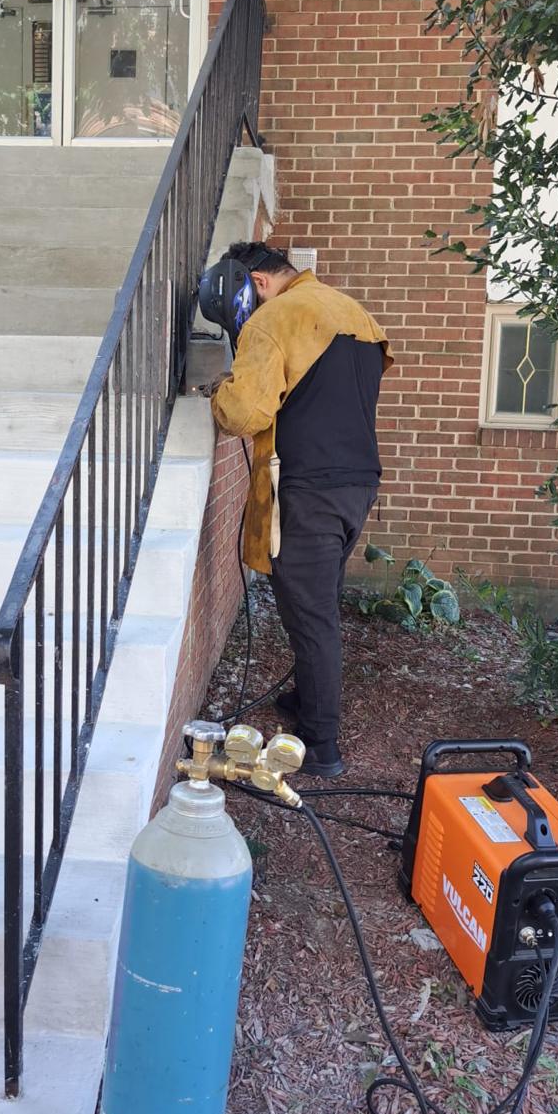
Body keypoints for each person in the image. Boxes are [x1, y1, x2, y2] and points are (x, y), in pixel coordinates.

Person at [209, 242, 393, 778]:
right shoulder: (352, 311)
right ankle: (306, 697)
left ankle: (321, 744)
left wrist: (219, 391)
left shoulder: (275, 318)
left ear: (256, 282)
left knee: (311, 616)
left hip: (310, 490)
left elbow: (245, 413)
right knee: (317, 600)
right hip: (357, 483)